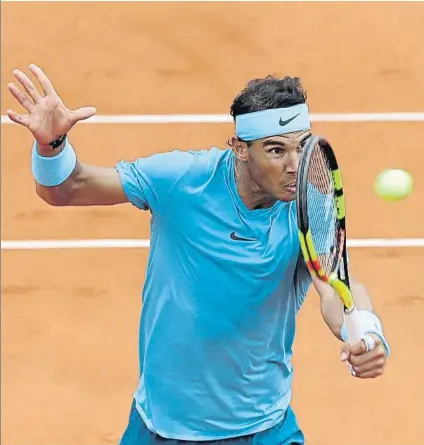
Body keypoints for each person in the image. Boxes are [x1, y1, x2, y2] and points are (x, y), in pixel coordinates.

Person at [7, 64, 390, 445]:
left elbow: (336, 284)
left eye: (302, 147)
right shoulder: (182, 179)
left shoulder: (308, 204)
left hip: (262, 429)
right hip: (161, 427)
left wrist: (366, 332)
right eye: (276, 150)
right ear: (240, 148)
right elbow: (68, 189)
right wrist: (51, 146)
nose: (294, 167)